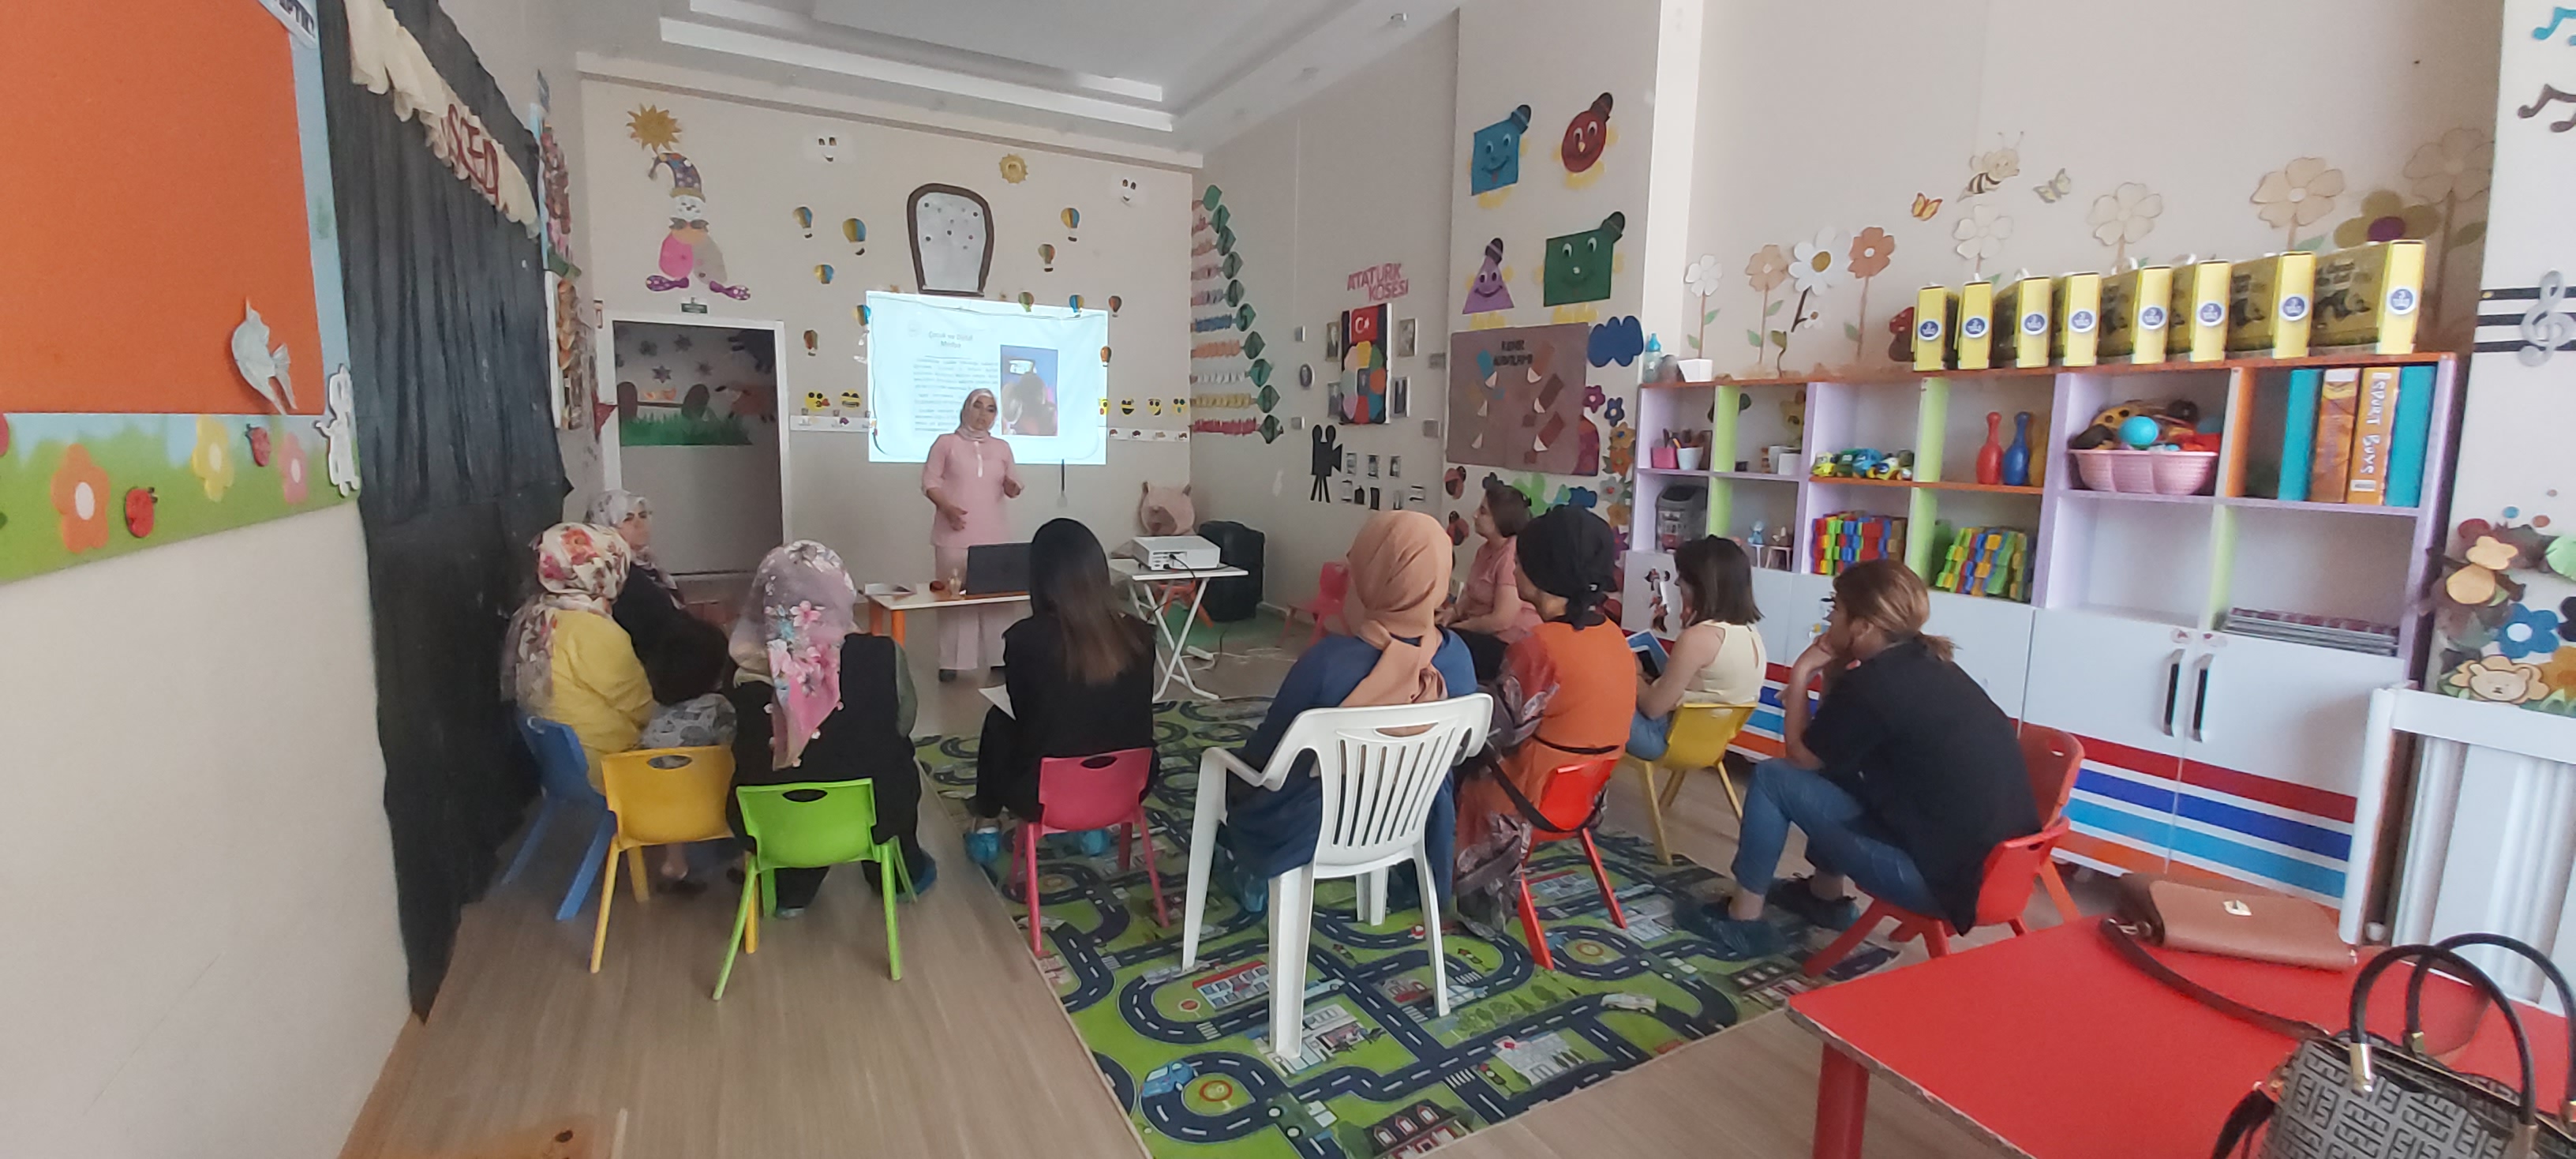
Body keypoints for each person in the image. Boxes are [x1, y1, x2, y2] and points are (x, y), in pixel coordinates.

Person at [1703, 559, 2038, 959]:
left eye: (1836, 608)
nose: (1829, 616)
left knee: (1774, 778)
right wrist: (1834, 673)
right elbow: (1833, 743)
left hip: (1940, 883)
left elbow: (1802, 756)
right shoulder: (1928, 662)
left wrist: (1800, 675)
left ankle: (1743, 921)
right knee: (1840, 771)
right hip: (1996, 875)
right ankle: (1823, 897)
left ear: (1863, 626)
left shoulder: (1875, 686)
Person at [1221, 512, 1477, 913]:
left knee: (1230, 774)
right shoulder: (1457, 657)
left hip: (1315, 823)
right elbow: (1463, 752)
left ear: (1373, 575)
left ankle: (1253, 871)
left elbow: (1269, 755)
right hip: (1410, 816)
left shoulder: (1327, 662)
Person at [724, 541, 936, 917]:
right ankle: (901, 876)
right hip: (874, 815)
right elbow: (904, 723)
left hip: (770, 827)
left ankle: (792, 890)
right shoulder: (881, 655)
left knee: (794, 774)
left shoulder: (740, 665)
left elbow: (735, 739)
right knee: (893, 756)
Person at [1452, 505, 1636, 930]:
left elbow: (1494, 731)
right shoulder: (1611, 634)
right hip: (1585, 797)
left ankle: (1425, 881)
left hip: (1527, 798)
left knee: (1440, 756)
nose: (1513, 565)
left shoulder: (1542, 645)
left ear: (1541, 572)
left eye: (1520, 560)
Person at [964, 519, 1159, 863]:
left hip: (1044, 795)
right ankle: (1092, 826)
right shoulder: (1140, 634)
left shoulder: (1026, 639)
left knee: (999, 722)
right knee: (1098, 717)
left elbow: (1026, 718)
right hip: (1131, 786)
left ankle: (986, 823)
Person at [502, 523, 652, 789]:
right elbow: (641, 709)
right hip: (605, 763)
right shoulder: (592, 628)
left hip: (556, 765)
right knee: (712, 714)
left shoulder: (532, 614)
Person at [1627, 535, 1766, 760]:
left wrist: (1630, 673)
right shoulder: (1750, 633)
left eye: (1682, 580)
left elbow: (1652, 708)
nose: (1677, 586)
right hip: (1710, 745)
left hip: (1665, 741)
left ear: (1700, 586)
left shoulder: (1699, 638)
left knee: (1595, 692)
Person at [921, 388, 1024, 682]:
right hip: (954, 534)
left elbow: (1011, 482)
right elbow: (929, 482)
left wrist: (1011, 488)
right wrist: (948, 509)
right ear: (966, 409)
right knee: (955, 600)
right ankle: (953, 663)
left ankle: (999, 657)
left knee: (997, 599)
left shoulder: (1002, 447)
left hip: (994, 536)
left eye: (990, 409)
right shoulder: (946, 443)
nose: (983, 414)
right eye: (977, 406)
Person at [1439, 481, 1540, 682]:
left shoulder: (1512, 554)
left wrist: (1459, 628)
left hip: (1506, 643)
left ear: (1501, 519)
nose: (1475, 515)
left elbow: (1501, 620)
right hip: (1481, 630)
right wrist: (1453, 613)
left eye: (1483, 511)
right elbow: (1470, 592)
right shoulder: (1484, 550)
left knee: (1440, 645)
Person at [587, 489, 691, 658]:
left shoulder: (650, 567)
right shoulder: (615, 574)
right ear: (605, 527)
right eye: (627, 519)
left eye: (643, 516)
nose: (639, 524)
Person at [638, 615, 737, 750]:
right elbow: (733, 749)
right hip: (704, 769)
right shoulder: (718, 706)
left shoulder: (656, 710)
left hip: (641, 768)